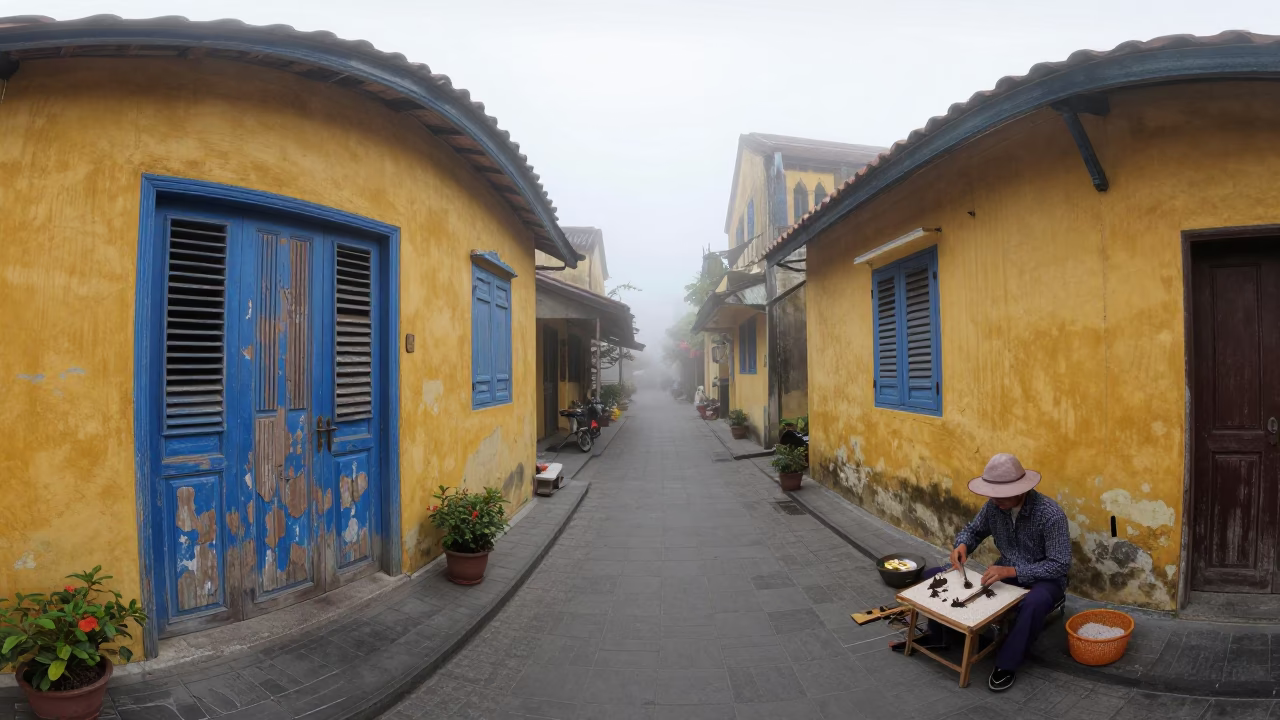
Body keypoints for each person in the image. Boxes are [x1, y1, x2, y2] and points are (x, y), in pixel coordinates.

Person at [890, 452, 1071, 693]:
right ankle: (940, 636)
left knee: (1034, 603)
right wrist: (962, 545)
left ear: (1021, 489)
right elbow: (973, 530)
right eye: (992, 494)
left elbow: (1060, 564)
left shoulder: (1050, 514)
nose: (995, 500)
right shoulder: (994, 507)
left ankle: (1007, 663)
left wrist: (1012, 570)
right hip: (1004, 572)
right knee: (934, 575)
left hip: (1045, 580)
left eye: (1002, 495)